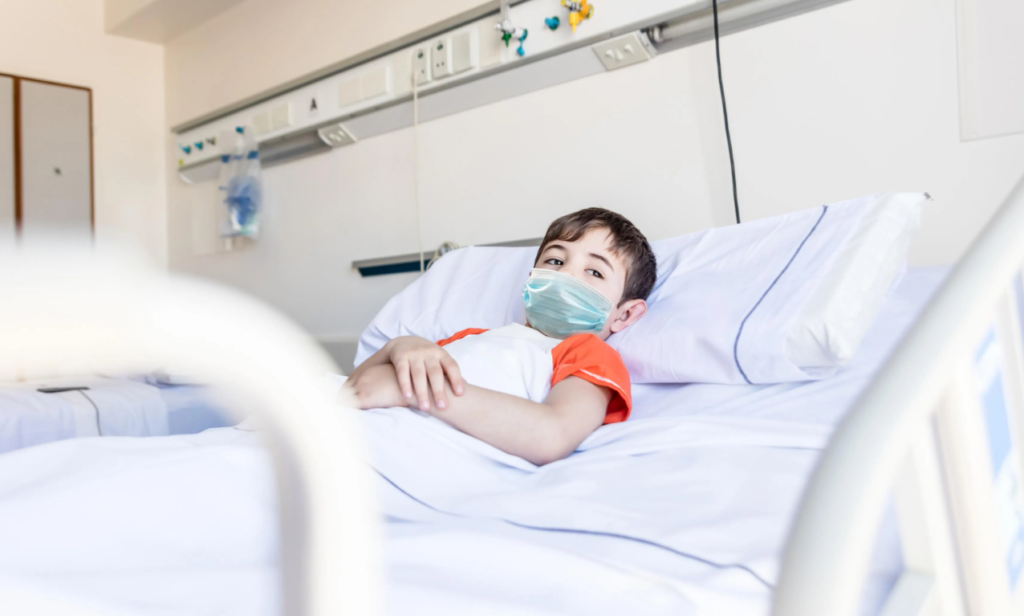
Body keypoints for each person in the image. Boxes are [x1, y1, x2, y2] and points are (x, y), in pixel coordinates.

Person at [344, 207, 657, 465]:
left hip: (402, 455)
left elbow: (552, 435)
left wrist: (415, 391)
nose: (565, 274)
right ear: (532, 278)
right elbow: (358, 387)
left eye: (594, 272)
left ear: (624, 314)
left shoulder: (588, 354)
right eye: (555, 261)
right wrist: (399, 346)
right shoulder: (471, 337)